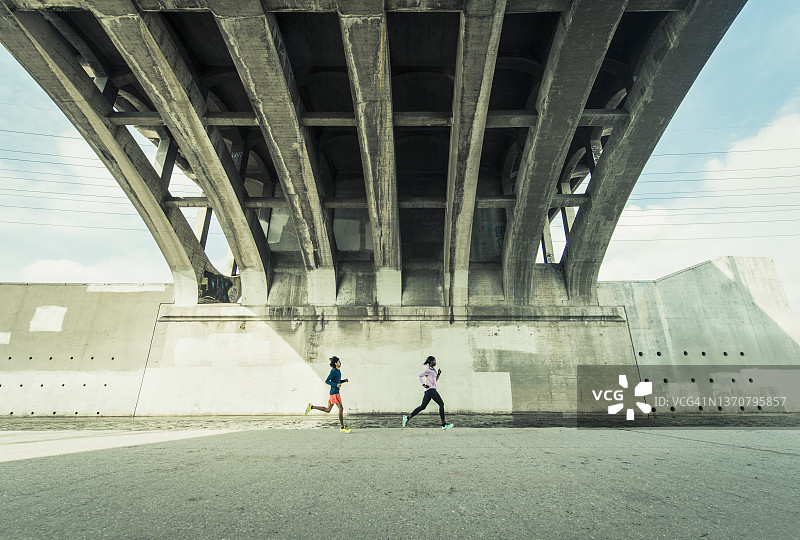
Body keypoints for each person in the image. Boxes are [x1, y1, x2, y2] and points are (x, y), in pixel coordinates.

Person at [402, 355, 453, 430]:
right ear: (431, 361)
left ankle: (407, 417)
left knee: (423, 406)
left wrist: (438, 374)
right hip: (431, 390)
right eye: (434, 360)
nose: (436, 362)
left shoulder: (433, 370)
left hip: (429, 391)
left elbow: (435, 381)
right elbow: (418, 376)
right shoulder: (427, 369)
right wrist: (423, 384)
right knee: (441, 404)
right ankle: (444, 425)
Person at [305, 356, 351, 433]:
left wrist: (343, 381)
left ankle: (312, 407)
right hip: (335, 393)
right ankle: (342, 427)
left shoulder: (338, 371)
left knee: (328, 410)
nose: (340, 363)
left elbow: (337, 381)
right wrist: (336, 385)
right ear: (336, 363)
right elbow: (327, 381)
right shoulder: (333, 371)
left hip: (334, 393)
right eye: (339, 361)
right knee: (341, 409)